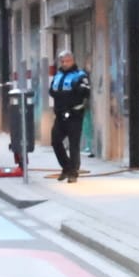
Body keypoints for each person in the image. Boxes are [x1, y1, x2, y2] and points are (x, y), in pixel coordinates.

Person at [49, 51, 91, 183]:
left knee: (74, 145)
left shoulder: (80, 75)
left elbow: (86, 91)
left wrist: (75, 91)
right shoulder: (58, 75)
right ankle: (66, 167)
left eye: (68, 61)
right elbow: (52, 91)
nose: (65, 63)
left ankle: (73, 172)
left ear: (72, 61)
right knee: (55, 141)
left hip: (74, 115)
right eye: (63, 61)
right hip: (60, 115)